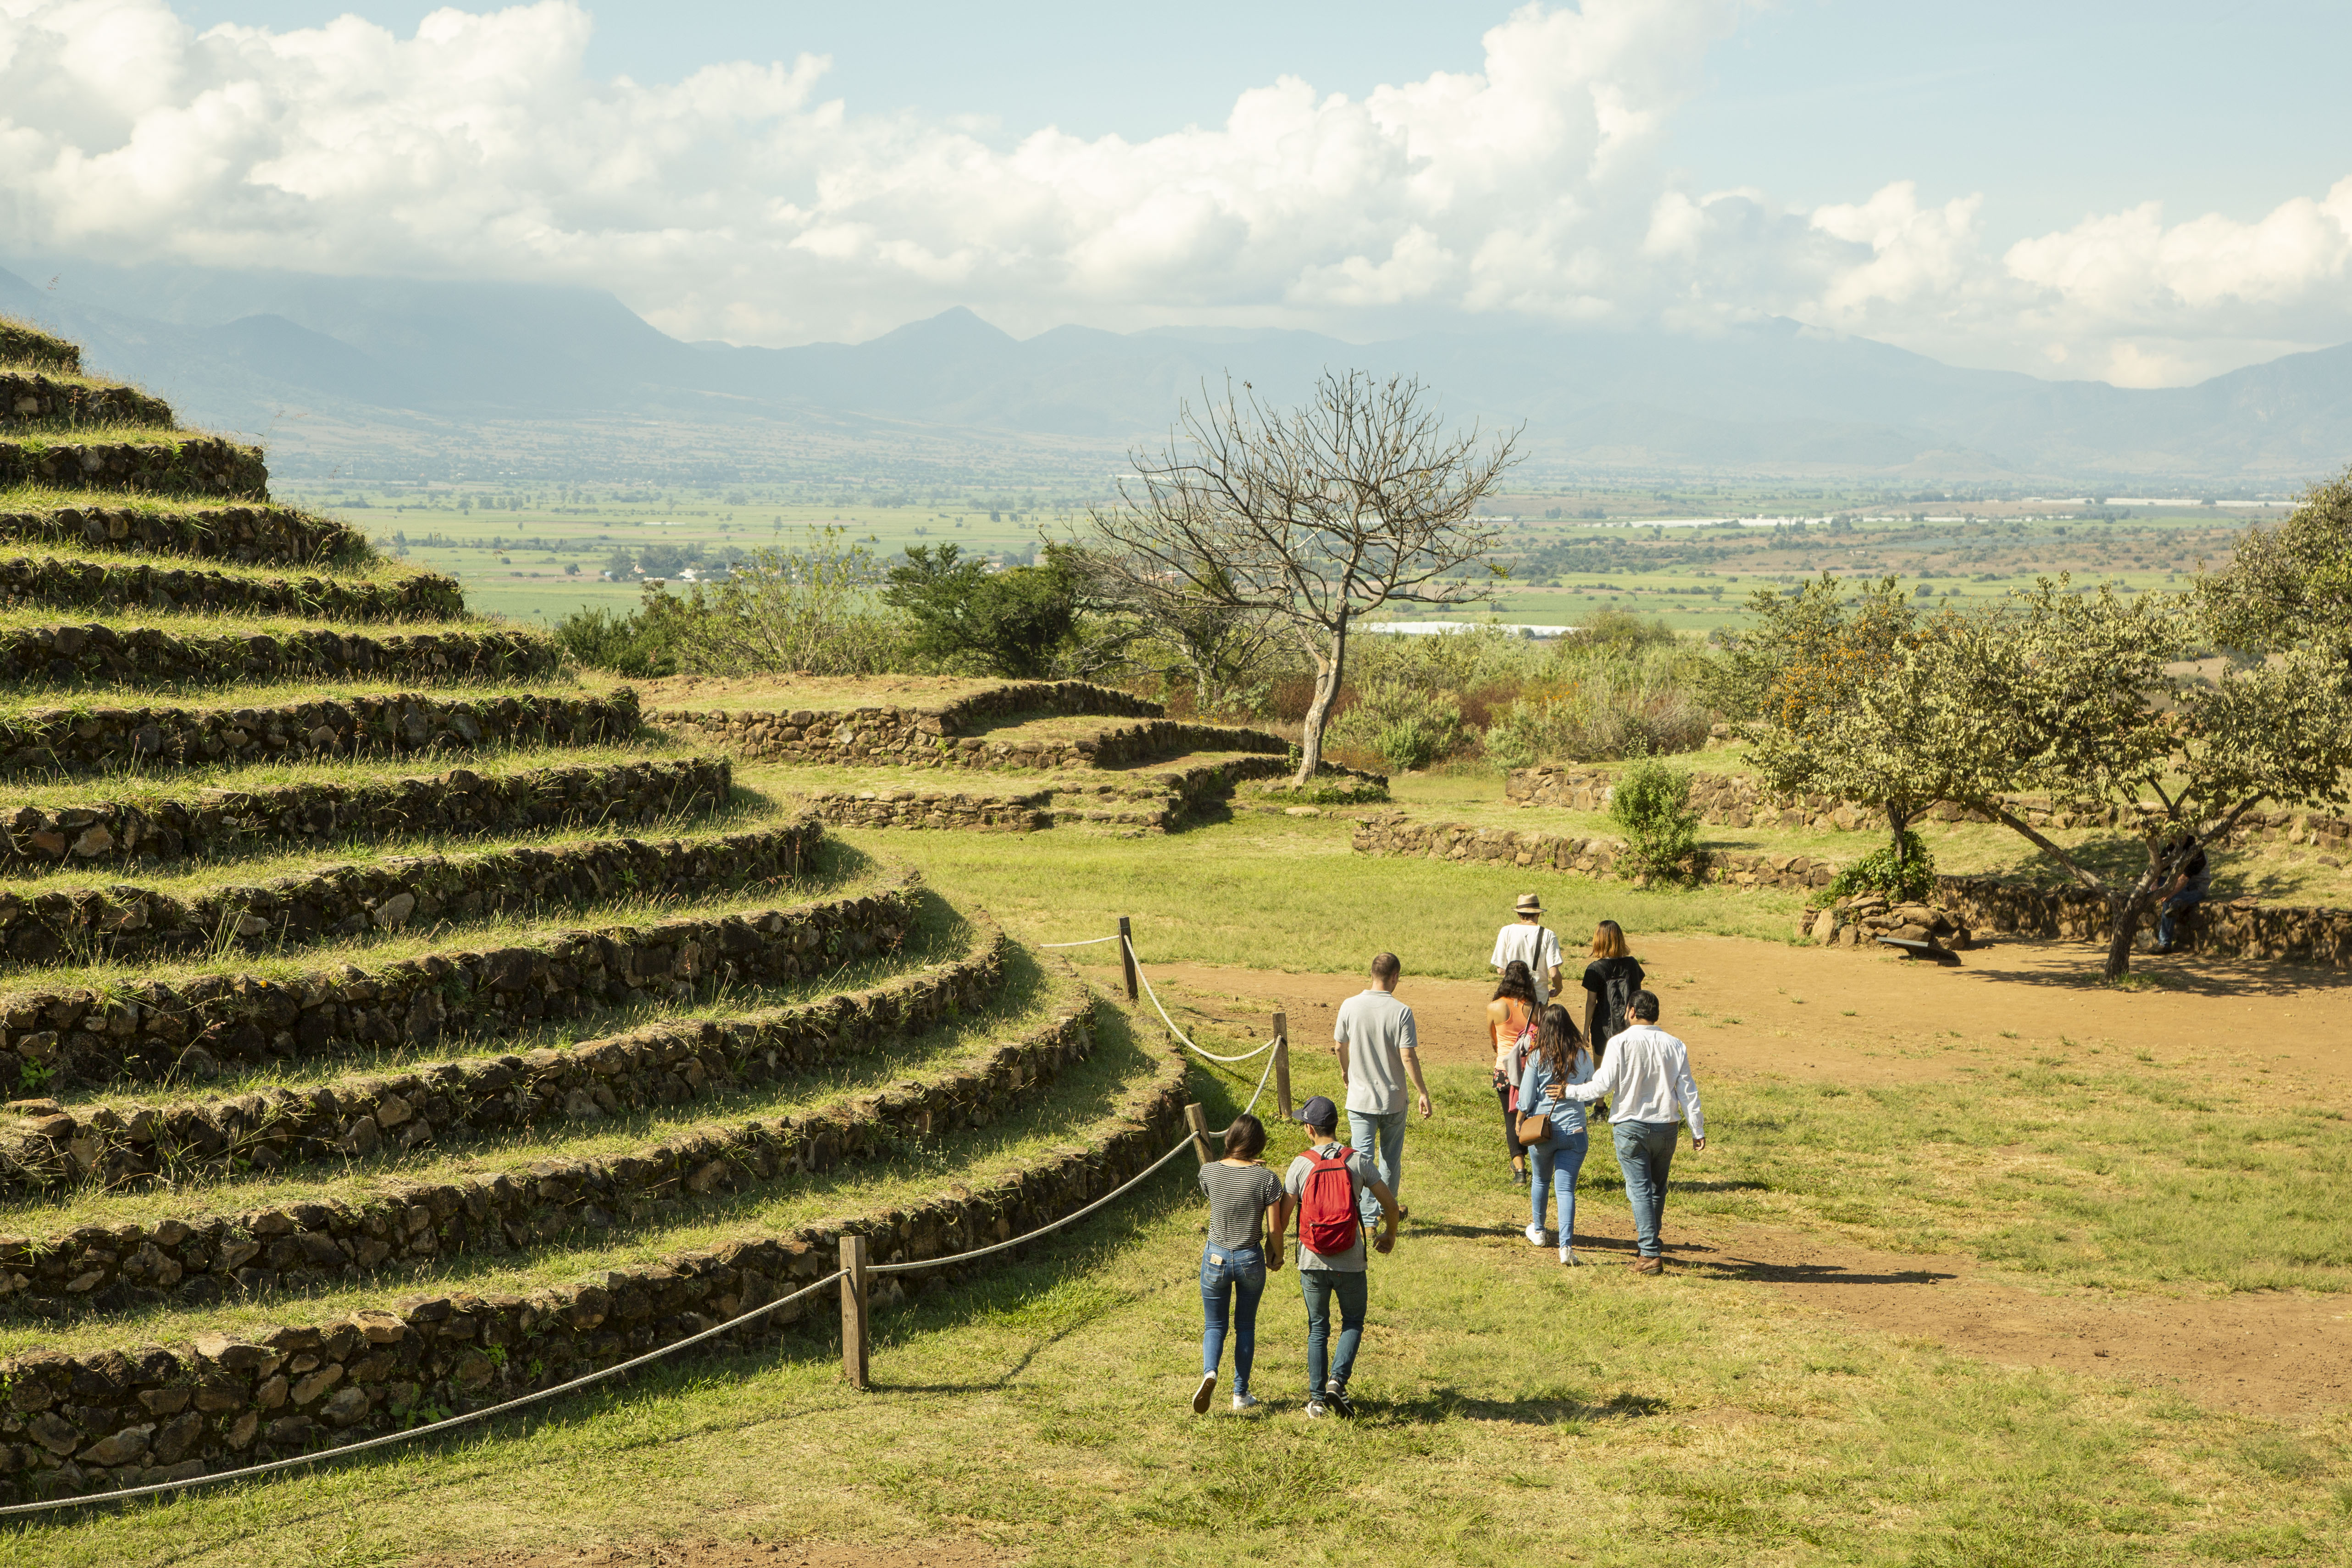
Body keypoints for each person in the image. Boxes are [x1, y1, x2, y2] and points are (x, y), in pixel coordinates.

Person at [1560, 989, 1705, 1274]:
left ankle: (1650, 1252)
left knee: (1639, 1189)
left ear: (1630, 1012)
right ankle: (1649, 1243)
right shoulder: (1676, 1045)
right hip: (1667, 1126)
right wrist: (1697, 1128)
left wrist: (1569, 1091)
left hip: (1630, 1127)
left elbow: (1601, 1087)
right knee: (1656, 1190)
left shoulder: (1619, 1043)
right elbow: (1687, 1091)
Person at [1276, 1095, 1398, 1418]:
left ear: (1309, 1129)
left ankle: (1317, 1400)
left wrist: (1274, 1250)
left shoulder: (1301, 1164)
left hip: (1311, 1259)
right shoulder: (1357, 1160)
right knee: (1353, 1321)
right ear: (1334, 1125)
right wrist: (1389, 1235)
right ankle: (1337, 1381)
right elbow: (1390, 1204)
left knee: (1318, 1327)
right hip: (1351, 1259)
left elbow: (1284, 1216)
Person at [1332, 952, 1431, 1228]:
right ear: (1395, 977)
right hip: (1394, 1099)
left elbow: (1340, 1046)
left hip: (1360, 1099)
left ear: (1372, 974)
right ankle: (1386, 1213)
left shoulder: (1349, 1005)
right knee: (1390, 1160)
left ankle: (1363, 1219)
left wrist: (1345, 1070)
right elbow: (1408, 1056)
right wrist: (1422, 1091)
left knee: (1361, 1159)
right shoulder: (1401, 1011)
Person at [1193, 1112, 1284, 1415]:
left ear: (1230, 1138)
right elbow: (1274, 1229)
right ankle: (1240, 1393)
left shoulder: (1208, 1171)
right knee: (1245, 1325)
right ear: (1259, 1145)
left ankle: (1210, 1372)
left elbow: (1220, 1186)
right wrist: (1277, 1255)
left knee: (1214, 1324)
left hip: (1215, 1257)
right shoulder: (1267, 1179)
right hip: (1249, 1258)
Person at [1516, 1002, 1594, 1265]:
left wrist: (1518, 1120)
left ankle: (1538, 1231)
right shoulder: (1583, 1056)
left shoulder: (1538, 1057)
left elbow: (1526, 1098)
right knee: (1566, 1190)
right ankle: (1566, 1248)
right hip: (1575, 1131)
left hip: (1543, 1131)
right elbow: (1592, 1095)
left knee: (1540, 1180)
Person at [1487, 960, 1540, 1186]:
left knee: (1511, 1121)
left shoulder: (1496, 1006)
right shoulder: (1534, 1007)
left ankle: (1519, 1171)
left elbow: (1494, 1040)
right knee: (1531, 1115)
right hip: (1530, 1070)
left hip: (1504, 1070)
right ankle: (1538, 1162)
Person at [1580, 920, 1645, 1064]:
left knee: (1600, 1073)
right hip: (1629, 1025)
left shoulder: (1595, 969)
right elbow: (1637, 995)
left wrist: (1585, 1030)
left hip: (1602, 1027)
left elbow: (1591, 1003)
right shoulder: (1632, 964)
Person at [1491, 893, 1564, 1008]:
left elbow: (1501, 970)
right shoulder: (1548, 935)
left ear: (1519, 914)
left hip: (1512, 997)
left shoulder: (1506, 931)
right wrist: (1559, 988)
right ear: (1538, 913)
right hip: (1538, 1000)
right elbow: (1554, 973)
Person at [2154, 834, 2212, 954]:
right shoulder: (2170, 849)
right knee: (2148, 887)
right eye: (2174, 837)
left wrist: (2169, 893)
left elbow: (2185, 878)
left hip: (2196, 888)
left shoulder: (2195, 851)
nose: (2176, 840)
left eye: (2179, 836)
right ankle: (2179, 902)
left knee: (2169, 900)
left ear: (2186, 835)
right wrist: (2154, 884)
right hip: (2177, 885)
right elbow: (2158, 867)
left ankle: (2164, 944)